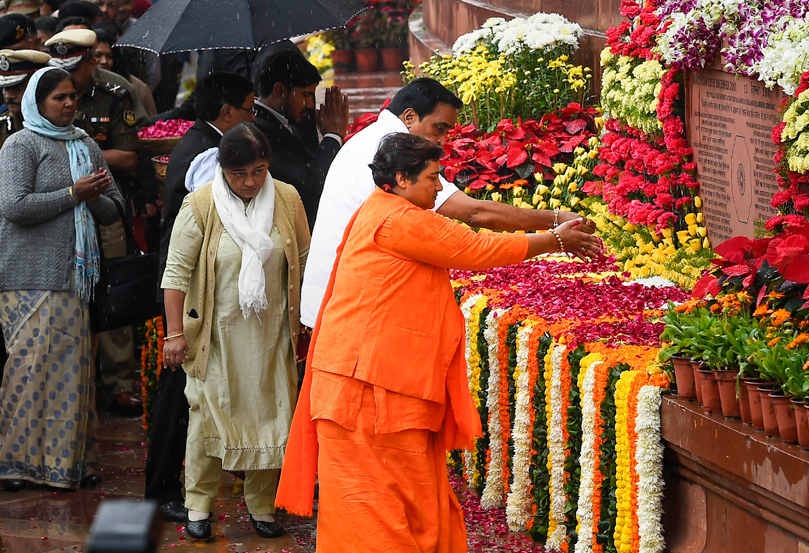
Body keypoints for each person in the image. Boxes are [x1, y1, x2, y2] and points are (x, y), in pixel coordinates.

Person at [277, 133, 602, 550]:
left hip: (378, 386)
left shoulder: (385, 208)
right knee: (372, 514)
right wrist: (555, 239)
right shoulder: (399, 219)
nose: (438, 186)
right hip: (360, 391)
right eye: (433, 177)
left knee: (413, 503)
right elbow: (475, 246)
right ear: (401, 179)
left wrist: (553, 231)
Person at [298, 78, 596, 329]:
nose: (442, 140)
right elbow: (475, 216)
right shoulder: (392, 151)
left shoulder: (379, 141)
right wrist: (555, 225)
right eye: (439, 128)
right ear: (410, 118)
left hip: (340, 302)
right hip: (346, 310)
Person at [161, 123, 309, 540]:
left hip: (272, 335)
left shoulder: (286, 199)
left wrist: (307, 324)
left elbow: (303, 257)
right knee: (207, 422)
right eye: (239, 174)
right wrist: (175, 335)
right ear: (222, 169)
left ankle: (262, 508)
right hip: (216, 339)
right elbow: (175, 274)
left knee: (273, 420)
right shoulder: (201, 204)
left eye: (258, 171)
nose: (249, 183)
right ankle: (198, 509)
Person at [0, 66, 124, 491]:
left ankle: (68, 464)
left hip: (75, 277)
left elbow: (113, 205)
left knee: (72, 373)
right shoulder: (21, 144)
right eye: (59, 98)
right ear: (38, 102)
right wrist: (74, 194)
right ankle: (18, 465)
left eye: (72, 96)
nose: (70, 103)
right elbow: (14, 205)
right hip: (28, 276)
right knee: (29, 371)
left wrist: (94, 199)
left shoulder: (84, 143)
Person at [143, 72, 255, 523]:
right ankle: (162, 489)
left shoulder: (202, 140)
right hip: (189, 293)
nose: (252, 115)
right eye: (248, 107)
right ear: (226, 112)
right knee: (178, 394)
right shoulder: (209, 154)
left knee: (189, 391)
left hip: (190, 289)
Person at [47, 28, 144, 414]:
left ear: (91, 60)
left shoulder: (114, 92)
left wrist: (83, 153)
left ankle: (119, 382)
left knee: (113, 288)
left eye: (78, 66)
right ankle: (78, 381)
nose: (69, 95)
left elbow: (129, 156)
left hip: (105, 205)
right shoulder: (46, 90)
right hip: (61, 211)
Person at [253, 50, 348, 226]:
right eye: (305, 95)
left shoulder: (276, 123)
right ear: (280, 90)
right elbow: (309, 185)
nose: (311, 105)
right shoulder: (261, 132)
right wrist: (333, 135)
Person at [92, 24, 156, 117]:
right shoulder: (76, 87)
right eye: (98, 55)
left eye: (109, 57)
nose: (104, 61)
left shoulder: (136, 87)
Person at [0, 49, 50, 148]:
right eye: (5, 88)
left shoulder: (61, 119)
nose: (9, 96)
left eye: (18, 88)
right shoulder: (2, 124)